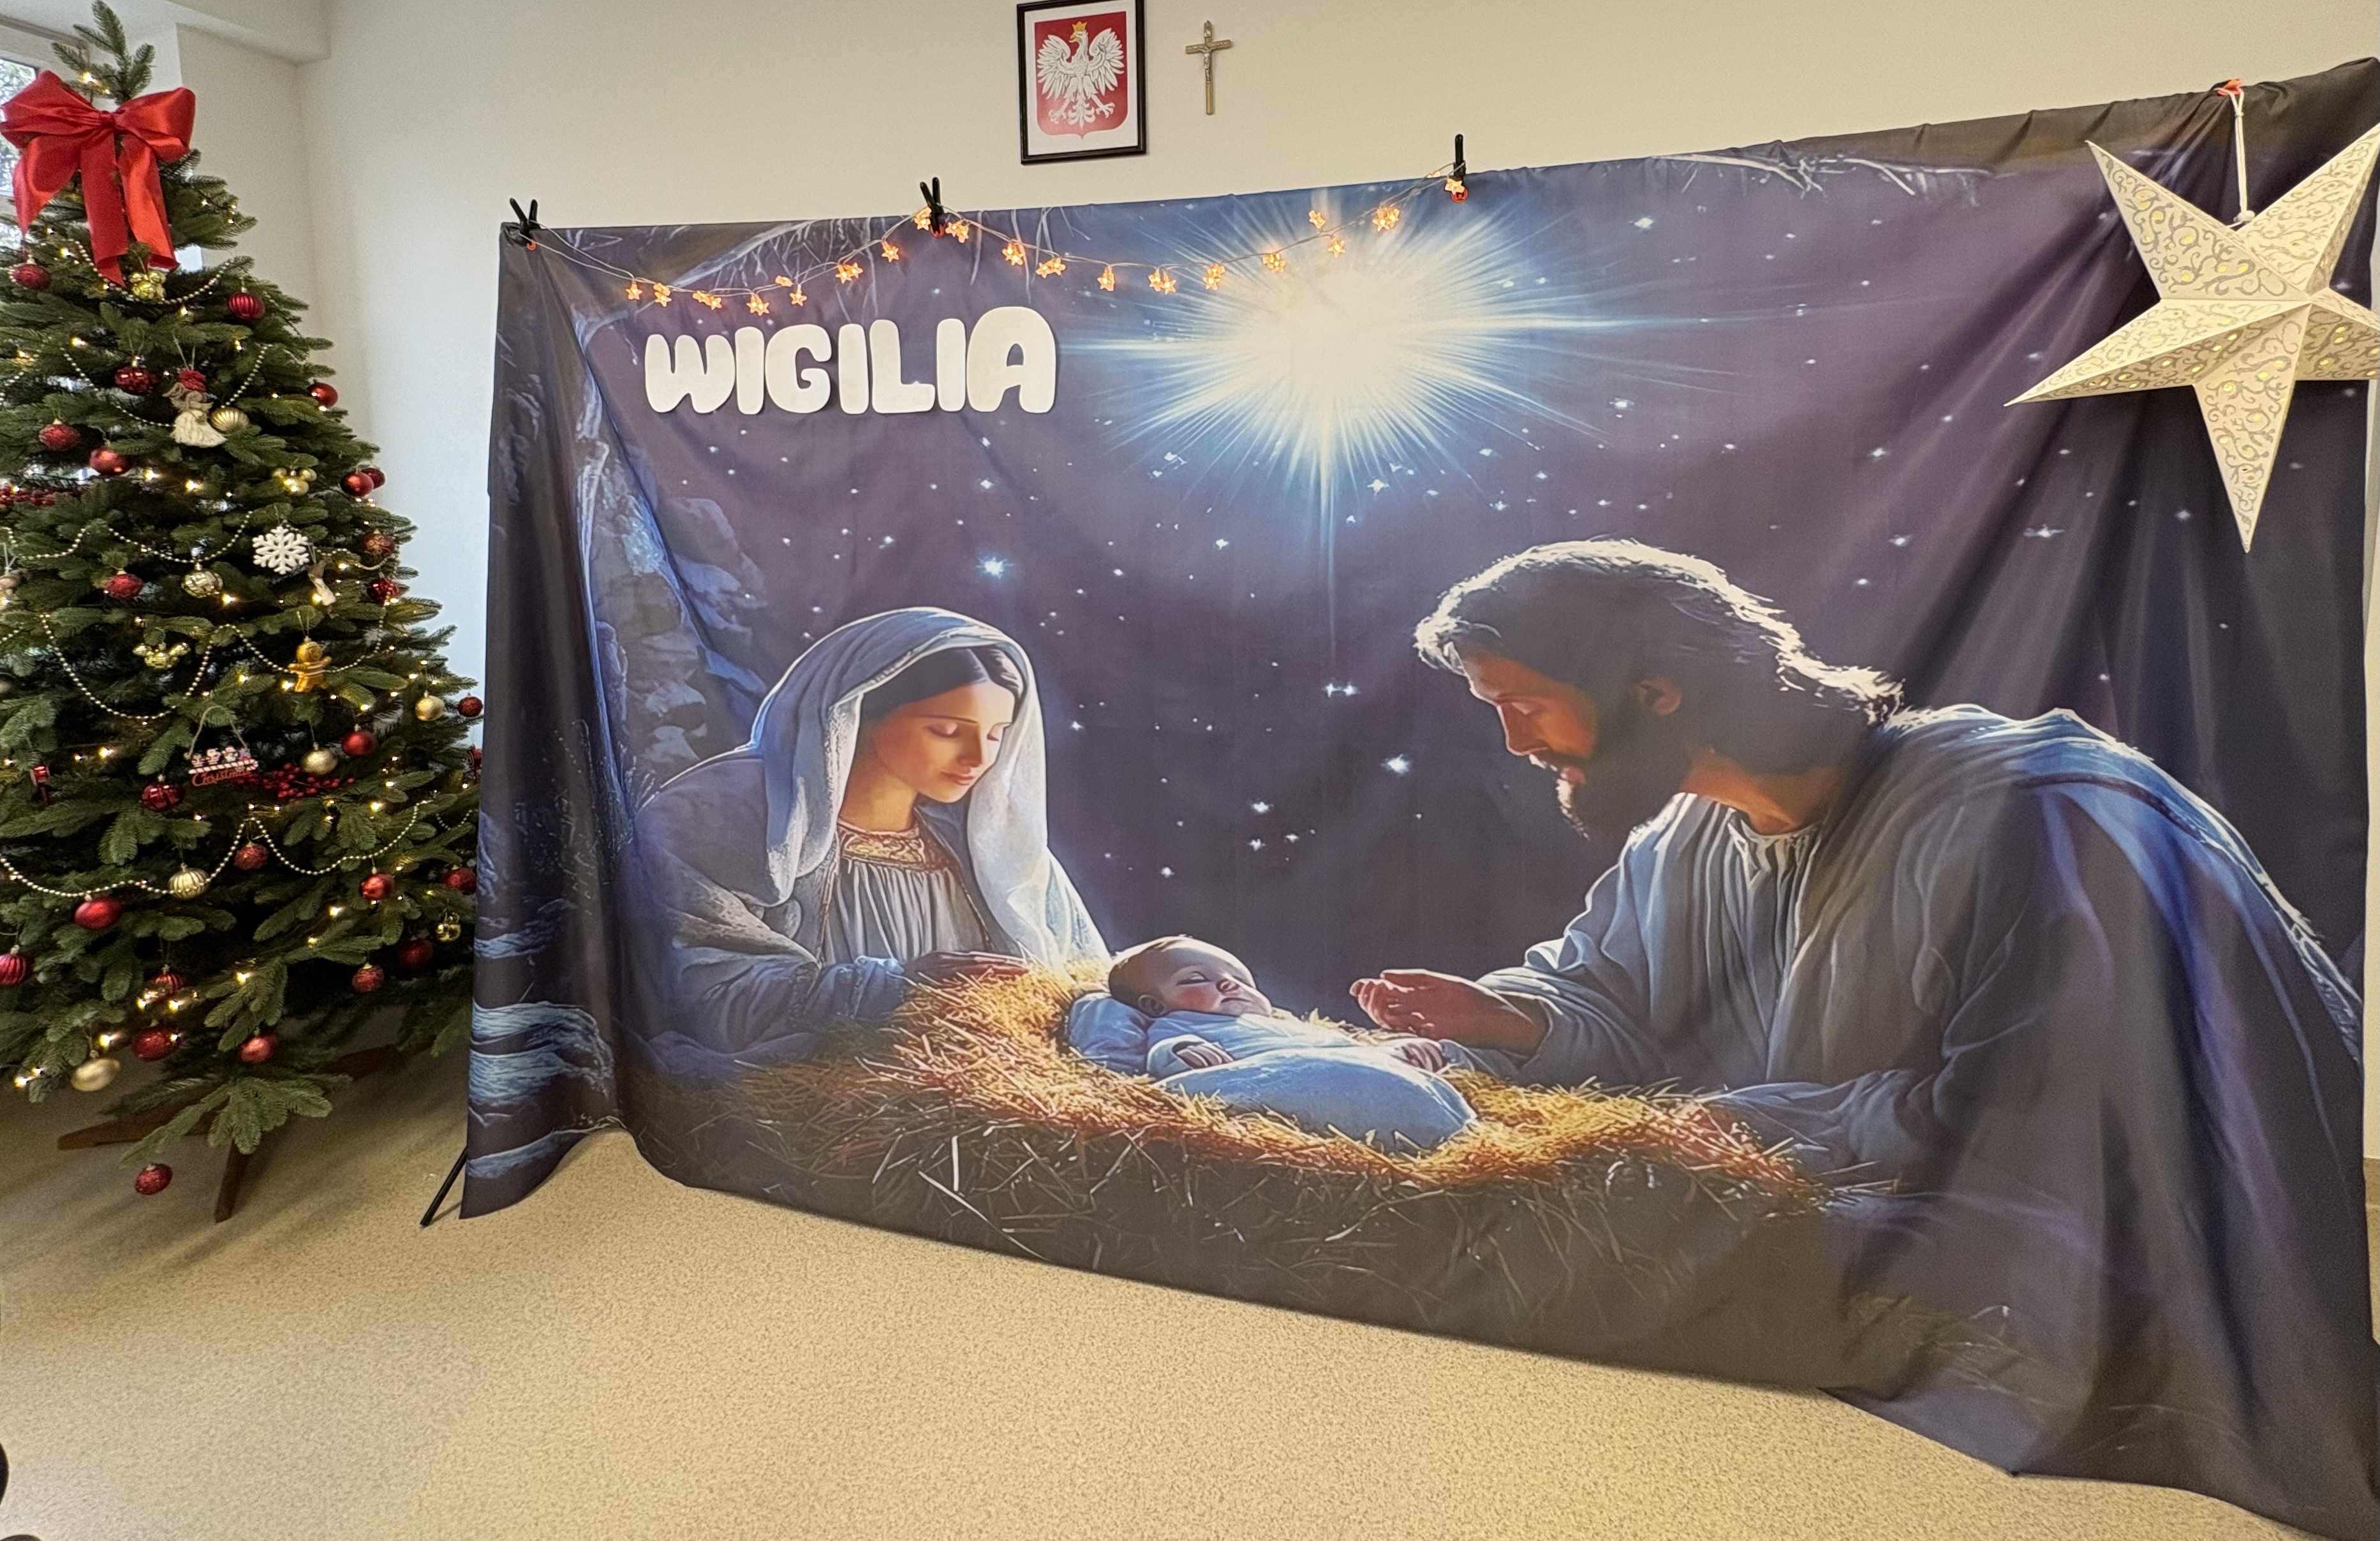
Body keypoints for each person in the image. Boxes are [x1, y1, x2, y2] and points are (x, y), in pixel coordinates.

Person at [1350, 539, 2375, 1538]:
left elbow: (2031, 1120)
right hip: (1855, 1220)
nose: (1515, 743)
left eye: (1523, 704)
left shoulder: (2028, 816)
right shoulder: (1682, 836)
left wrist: (1727, 1127)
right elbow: (1614, 998)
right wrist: (1510, 1019)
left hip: (2086, 1280)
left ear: (1653, 691)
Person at [631, 607, 1105, 1075]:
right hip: (812, 1105)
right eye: (946, 731)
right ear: (859, 711)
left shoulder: (991, 849)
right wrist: (893, 988)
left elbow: (1086, 984)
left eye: (997, 735)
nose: (978, 757)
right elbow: (703, 995)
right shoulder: (720, 817)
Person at [1070, 936, 1477, 1153]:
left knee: (1361, 1068)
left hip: (1339, 1071)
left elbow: (1341, 1052)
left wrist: (1394, 1053)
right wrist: (1176, 1051)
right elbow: (1157, 1058)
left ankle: (1416, 1105)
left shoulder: (1293, 1028)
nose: (1228, 984)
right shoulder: (1180, 1022)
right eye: (1196, 979)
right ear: (1153, 1005)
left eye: (1240, 980)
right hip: (1245, 1078)